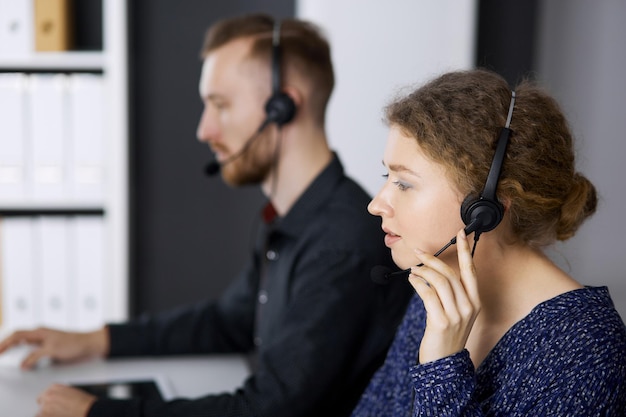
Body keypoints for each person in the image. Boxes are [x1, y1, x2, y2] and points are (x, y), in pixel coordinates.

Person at [0, 14, 411, 417]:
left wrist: (97, 412)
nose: (204, 130)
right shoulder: (293, 220)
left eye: (220, 105)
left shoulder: (339, 244)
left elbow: (270, 408)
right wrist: (97, 341)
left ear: (283, 106)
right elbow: (228, 321)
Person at [350, 68, 626, 416]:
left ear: (485, 209)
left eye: (404, 184)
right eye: (385, 177)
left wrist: (442, 369)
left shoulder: (587, 349)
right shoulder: (439, 298)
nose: (376, 204)